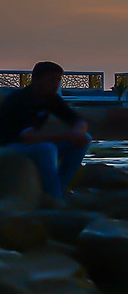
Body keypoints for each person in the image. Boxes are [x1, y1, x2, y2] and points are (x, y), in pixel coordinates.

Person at [3, 62, 92, 204]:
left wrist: (77, 132)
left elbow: (78, 121)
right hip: (8, 148)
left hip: (29, 146)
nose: (56, 83)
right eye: (52, 79)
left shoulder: (51, 99)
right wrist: (69, 136)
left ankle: (61, 186)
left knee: (84, 138)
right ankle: (53, 196)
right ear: (36, 79)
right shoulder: (20, 99)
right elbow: (27, 137)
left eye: (58, 79)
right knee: (47, 148)